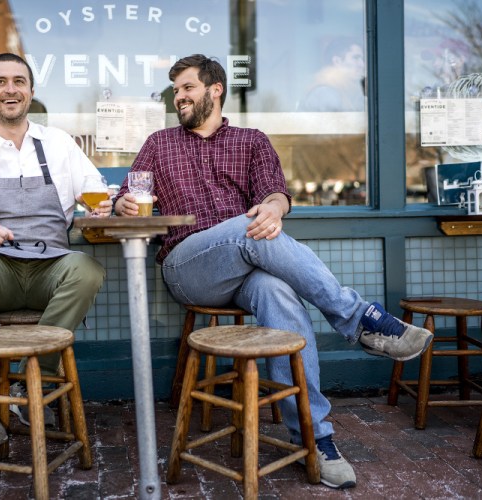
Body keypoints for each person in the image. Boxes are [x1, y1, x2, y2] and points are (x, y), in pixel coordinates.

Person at [114, 54, 433, 490]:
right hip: (187, 267)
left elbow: (276, 196)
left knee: (280, 292)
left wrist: (273, 209)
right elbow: (125, 196)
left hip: (246, 272)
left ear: (215, 90)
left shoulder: (252, 141)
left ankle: (314, 437)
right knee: (249, 232)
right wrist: (122, 204)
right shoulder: (159, 143)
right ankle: (359, 318)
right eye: (175, 90)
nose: (179, 97)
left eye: (186, 88)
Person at [0, 53, 111, 453]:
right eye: (0, 82)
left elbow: (96, 193)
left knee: (86, 268)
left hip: (51, 272)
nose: (10, 89)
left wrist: (100, 206)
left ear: (31, 92)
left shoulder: (60, 144)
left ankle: (35, 377)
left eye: (19, 81)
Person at [298, 38, 366, 112]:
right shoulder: (325, 92)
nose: (362, 64)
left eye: (363, 59)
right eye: (356, 58)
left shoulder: (350, 91)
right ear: (337, 61)